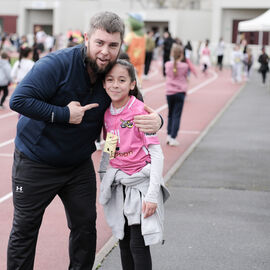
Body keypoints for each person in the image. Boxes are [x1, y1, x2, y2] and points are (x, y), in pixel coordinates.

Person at [7, 11, 162, 270]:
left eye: (113, 45)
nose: (105, 52)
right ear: (87, 38)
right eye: (99, 43)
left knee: (85, 229)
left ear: (120, 45)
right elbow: (18, 101)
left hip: (77, 166)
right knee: (25, 230)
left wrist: (158, 122)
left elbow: (139, 110)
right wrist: (64, 114)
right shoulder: (56, 64)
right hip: (36, 162)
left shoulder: (113, 71)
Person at [99, 59, 169, 270]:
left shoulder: (139, 111)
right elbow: (111, 145)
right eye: (110, 80)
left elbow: (157, 155)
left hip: (140, 187)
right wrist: (105, 176)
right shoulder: (108, 113)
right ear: (103, 84)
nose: (115, 85)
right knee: (122, 240)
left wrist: (151, 195)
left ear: (131, 84)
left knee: (138, 244)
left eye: (122, 80)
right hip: (120, 185)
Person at [165, 44, 189, 146]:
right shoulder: (185, 66)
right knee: (176, 115)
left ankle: (169, 135)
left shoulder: (167, 64)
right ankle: (173, 137)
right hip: (180, 92)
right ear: (181, 55)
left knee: (170, 114)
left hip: (169, 92)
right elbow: (185, 76)